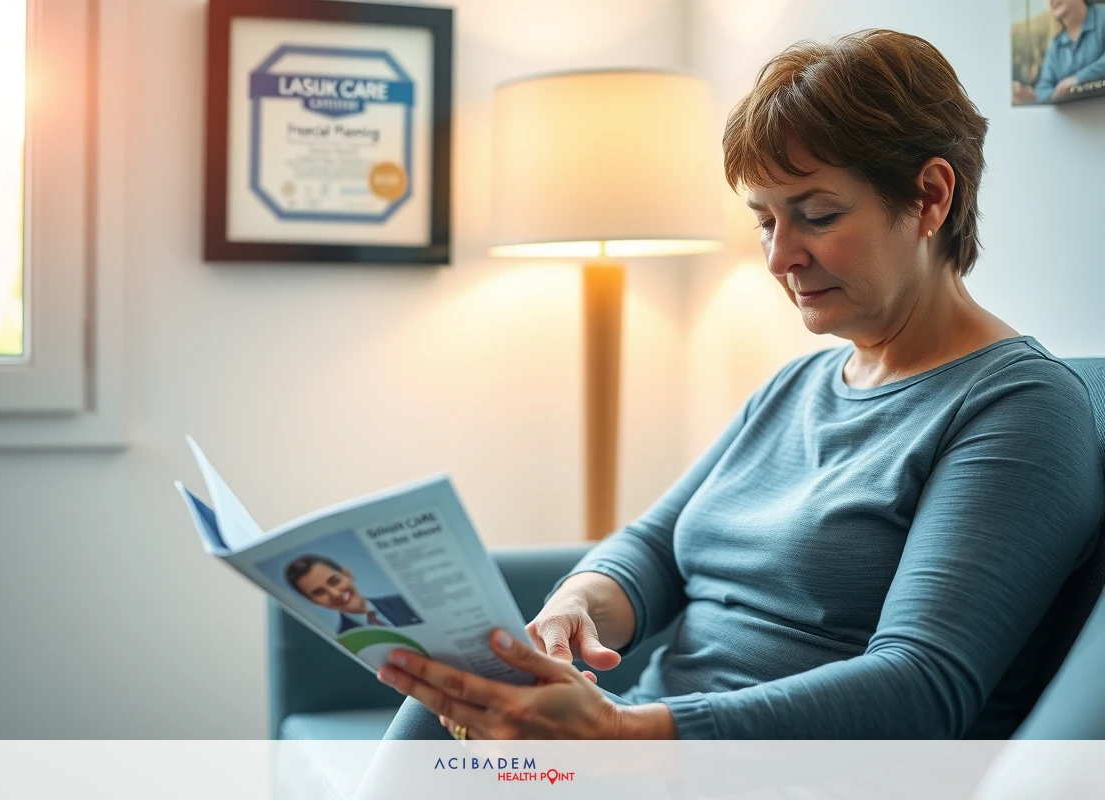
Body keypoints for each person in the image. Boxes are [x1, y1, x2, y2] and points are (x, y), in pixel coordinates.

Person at [371, 29, 1104, 740]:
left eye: (817, 215)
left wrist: (631, 736)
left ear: (931, 197)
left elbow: (921, 684)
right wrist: (575, 607)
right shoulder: (798, 386)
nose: (782, 256)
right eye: (764, 222)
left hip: (759, 766)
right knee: (450, 695)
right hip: (658, 741)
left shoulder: (1019, 409)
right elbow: (653, 553)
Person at [284, 553, 423, 633]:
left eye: (335, 581)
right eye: (319, 592)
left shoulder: (405, 602)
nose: (336, 593)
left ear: (348, 574)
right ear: (313, 601)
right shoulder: (345, 642)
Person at [1013, 0, 1105, 103]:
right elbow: (1043, 89)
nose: (1052, 1)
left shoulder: (1102, 15)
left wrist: (1078, 79)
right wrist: (1033, 97)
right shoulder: (1055, 45)